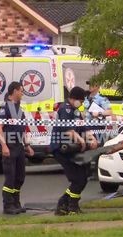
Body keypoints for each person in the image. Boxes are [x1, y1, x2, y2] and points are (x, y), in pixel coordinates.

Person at [51, 86, 98, 216]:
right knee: (78, 179)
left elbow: (84, 127)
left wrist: (92, 138)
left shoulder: (76, 111)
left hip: (73, 149)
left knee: (83, 177)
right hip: (62, 149)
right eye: (81, 101)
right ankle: (71, 207)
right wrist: (81, 141)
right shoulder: (65, 109)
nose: (82, 104)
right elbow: (68, 130)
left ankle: (64, 205)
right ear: (74, 99)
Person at [0, 81, 34, 215]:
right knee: (10, 178)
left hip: (19, 147)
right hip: (9, 147)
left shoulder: (19, 109)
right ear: (14, 91)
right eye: (21, 90)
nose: (22, 93)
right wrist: (4, 146)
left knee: (20, 177)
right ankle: (8, 205)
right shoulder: (4, 107)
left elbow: (22, 129)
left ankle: (16, 203)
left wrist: (27, 145)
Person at [83, 81, 112, 179]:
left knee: (97, 148)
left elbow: (109, 111)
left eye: (92, 85)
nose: (90, 87)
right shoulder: (86, 98)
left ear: (97, 86)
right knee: (87, 147)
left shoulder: (102, 99)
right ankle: (87, 172)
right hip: (86, 126)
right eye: (89, 85)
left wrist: (99, 113)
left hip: (97, 127)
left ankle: (96, 171)